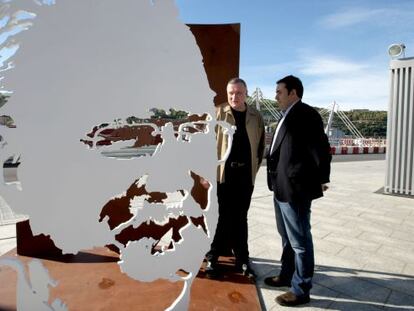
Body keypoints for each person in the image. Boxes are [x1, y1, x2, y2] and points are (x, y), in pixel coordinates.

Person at [265, 75, 331, 306]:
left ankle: (301, 289)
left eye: (279, 92)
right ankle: (286, 275)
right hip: (281, 187)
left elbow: (321, 148)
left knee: (300, 241)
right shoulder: (287, 115)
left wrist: (323, 178)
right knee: (287, 237)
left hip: (296, 188)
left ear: (293, 93)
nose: (275, 96)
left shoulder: (306, 114)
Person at [205, 77, 265, 278]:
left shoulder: (256, 116)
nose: (234, 97)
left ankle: (242, 260)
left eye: (238, 93)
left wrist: (253, 171)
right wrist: (206, 175)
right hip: (223, 175)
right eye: (230, 93)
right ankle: (212, 258)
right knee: (221, 217)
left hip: (244, 177)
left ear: (246, 93)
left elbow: (260, 147)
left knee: (241, 218)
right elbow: (204, 146)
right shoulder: (218, 113)